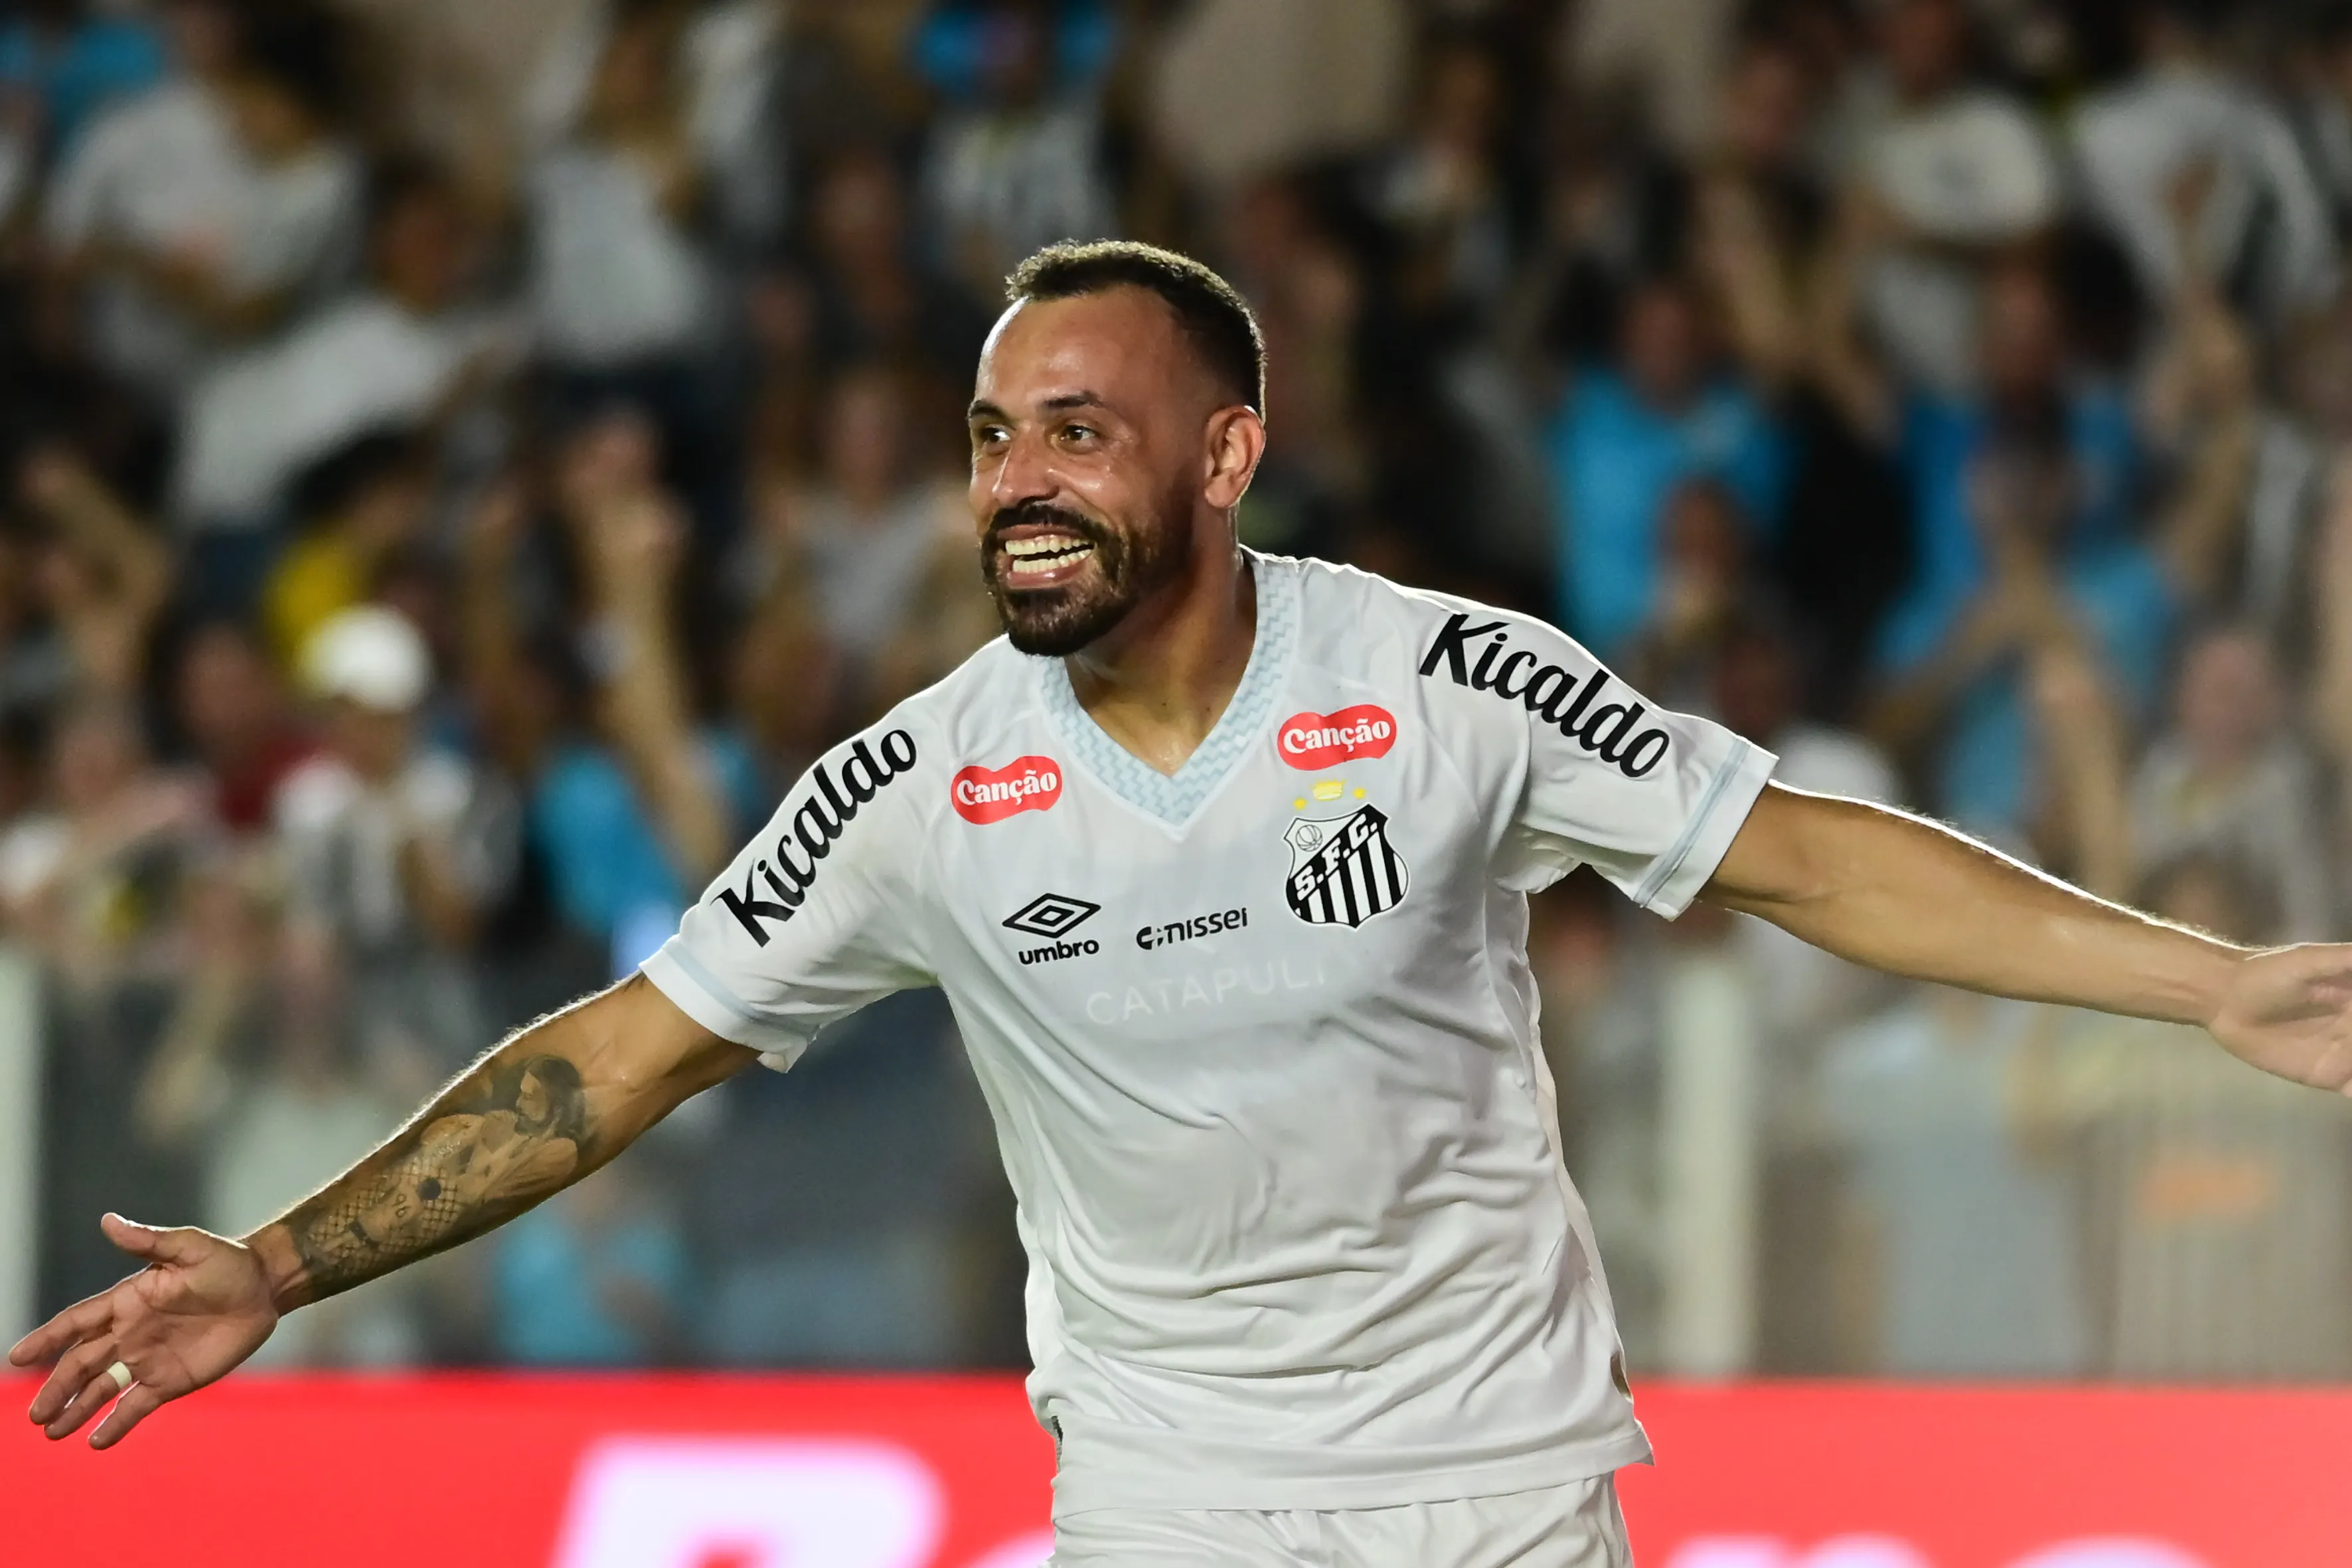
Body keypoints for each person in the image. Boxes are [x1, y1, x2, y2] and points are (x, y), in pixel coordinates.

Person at [17, 241, 2352, 1568]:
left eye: (1078, 431)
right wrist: (282, 1264)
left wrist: (2212, 978)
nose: (1015, 484)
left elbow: (1815, 861)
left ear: (1226, 455)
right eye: (990, 437)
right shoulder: (916, 782)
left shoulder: (1441, 677)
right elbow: (614, 1057)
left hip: (1502, 1498)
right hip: (1165, 1512)